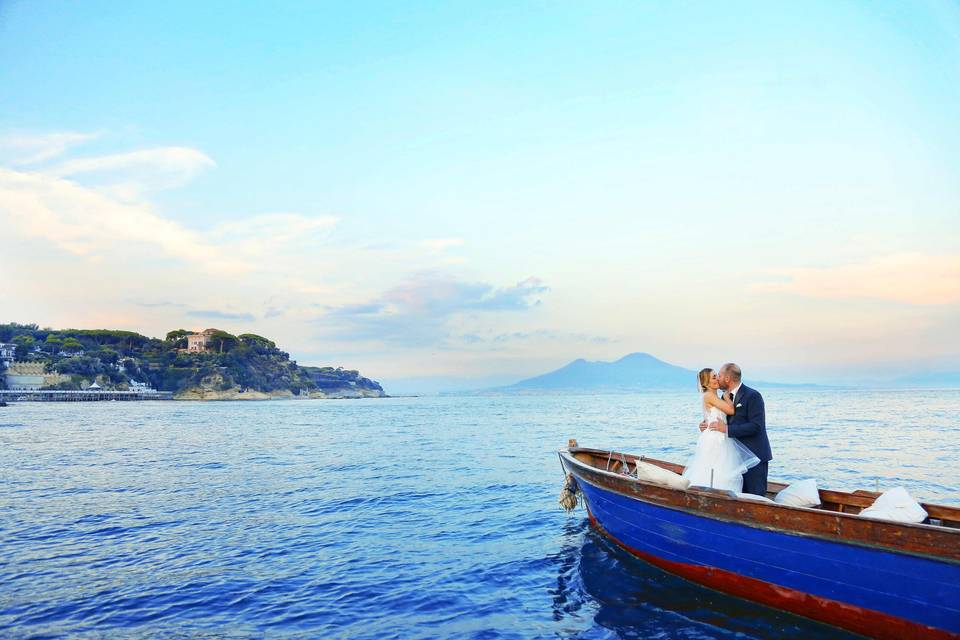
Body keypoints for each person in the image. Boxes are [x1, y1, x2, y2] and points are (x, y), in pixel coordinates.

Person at [699, 362, 773, 496]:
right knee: (737, 496)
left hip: (754, 456)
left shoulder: (753, 396)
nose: (718, 379)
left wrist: (726, 429)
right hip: (733, 458)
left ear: (727, 379)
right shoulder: (724, 397)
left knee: (755, 497)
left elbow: (756, 426)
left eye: (719, 376)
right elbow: (720, 418)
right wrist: (707, 423)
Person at [683, 368, 760, 493]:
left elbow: (713, 416)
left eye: (717, 376)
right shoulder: (710, 395)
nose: (717, 379)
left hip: (720, 436)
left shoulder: (714, 396)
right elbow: (731, 411)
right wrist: (726, 396)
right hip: (715, 439)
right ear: (706, 384)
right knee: (716, 468)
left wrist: (706, 423)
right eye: (714, 377)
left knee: (722, 469)